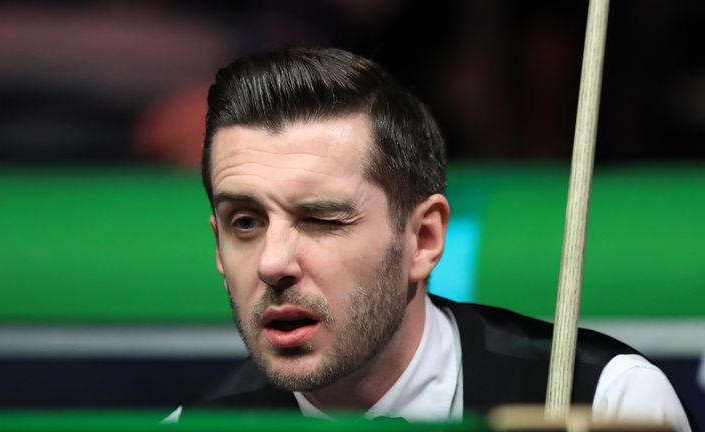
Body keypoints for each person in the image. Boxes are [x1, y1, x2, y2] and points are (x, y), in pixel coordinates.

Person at [167, 47, 696, 431]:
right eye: (245, 223)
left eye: (323, 220)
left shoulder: (609, 402)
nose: (272, 263)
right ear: (217, 245)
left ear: (422, 239)